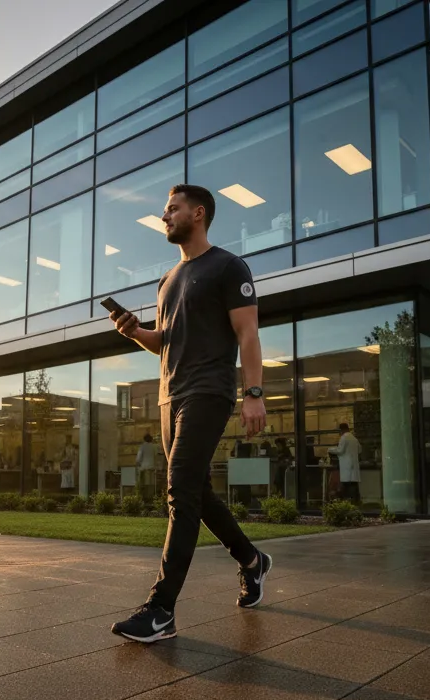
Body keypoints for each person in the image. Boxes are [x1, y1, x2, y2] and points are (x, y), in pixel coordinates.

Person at [107, 184, 272, 643]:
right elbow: (166, 343)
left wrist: (253, 392)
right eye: (165, 210)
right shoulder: (166, 280)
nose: (165, 216)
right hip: (170, 396)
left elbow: (248, 334)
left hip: (208, 392)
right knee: (196, 493)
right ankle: (252, 560)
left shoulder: (227, 266)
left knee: (180, 491)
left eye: (172, 209)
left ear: (198, 214)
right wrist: (136, 331)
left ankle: (161, 610)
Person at [327, 423, 362, 502]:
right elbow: (360, 450)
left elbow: (340, 450)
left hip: (346, 465)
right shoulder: (354, 438)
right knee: (353, 484)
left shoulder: (344, 438)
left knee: (347, 484)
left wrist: (330, 449)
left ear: (341, 430)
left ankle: (348, 502)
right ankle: (356, 501)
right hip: (354, 465)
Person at [135, 433, 157, 501]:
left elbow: (138, 459)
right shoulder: (154, 447)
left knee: (144, 484)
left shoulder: (142, 447)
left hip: (144, 468)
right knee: (152, 484)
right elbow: (156, 456)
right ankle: (151, 497)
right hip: (152, 467)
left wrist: (138, 464)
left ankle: (144, 497)